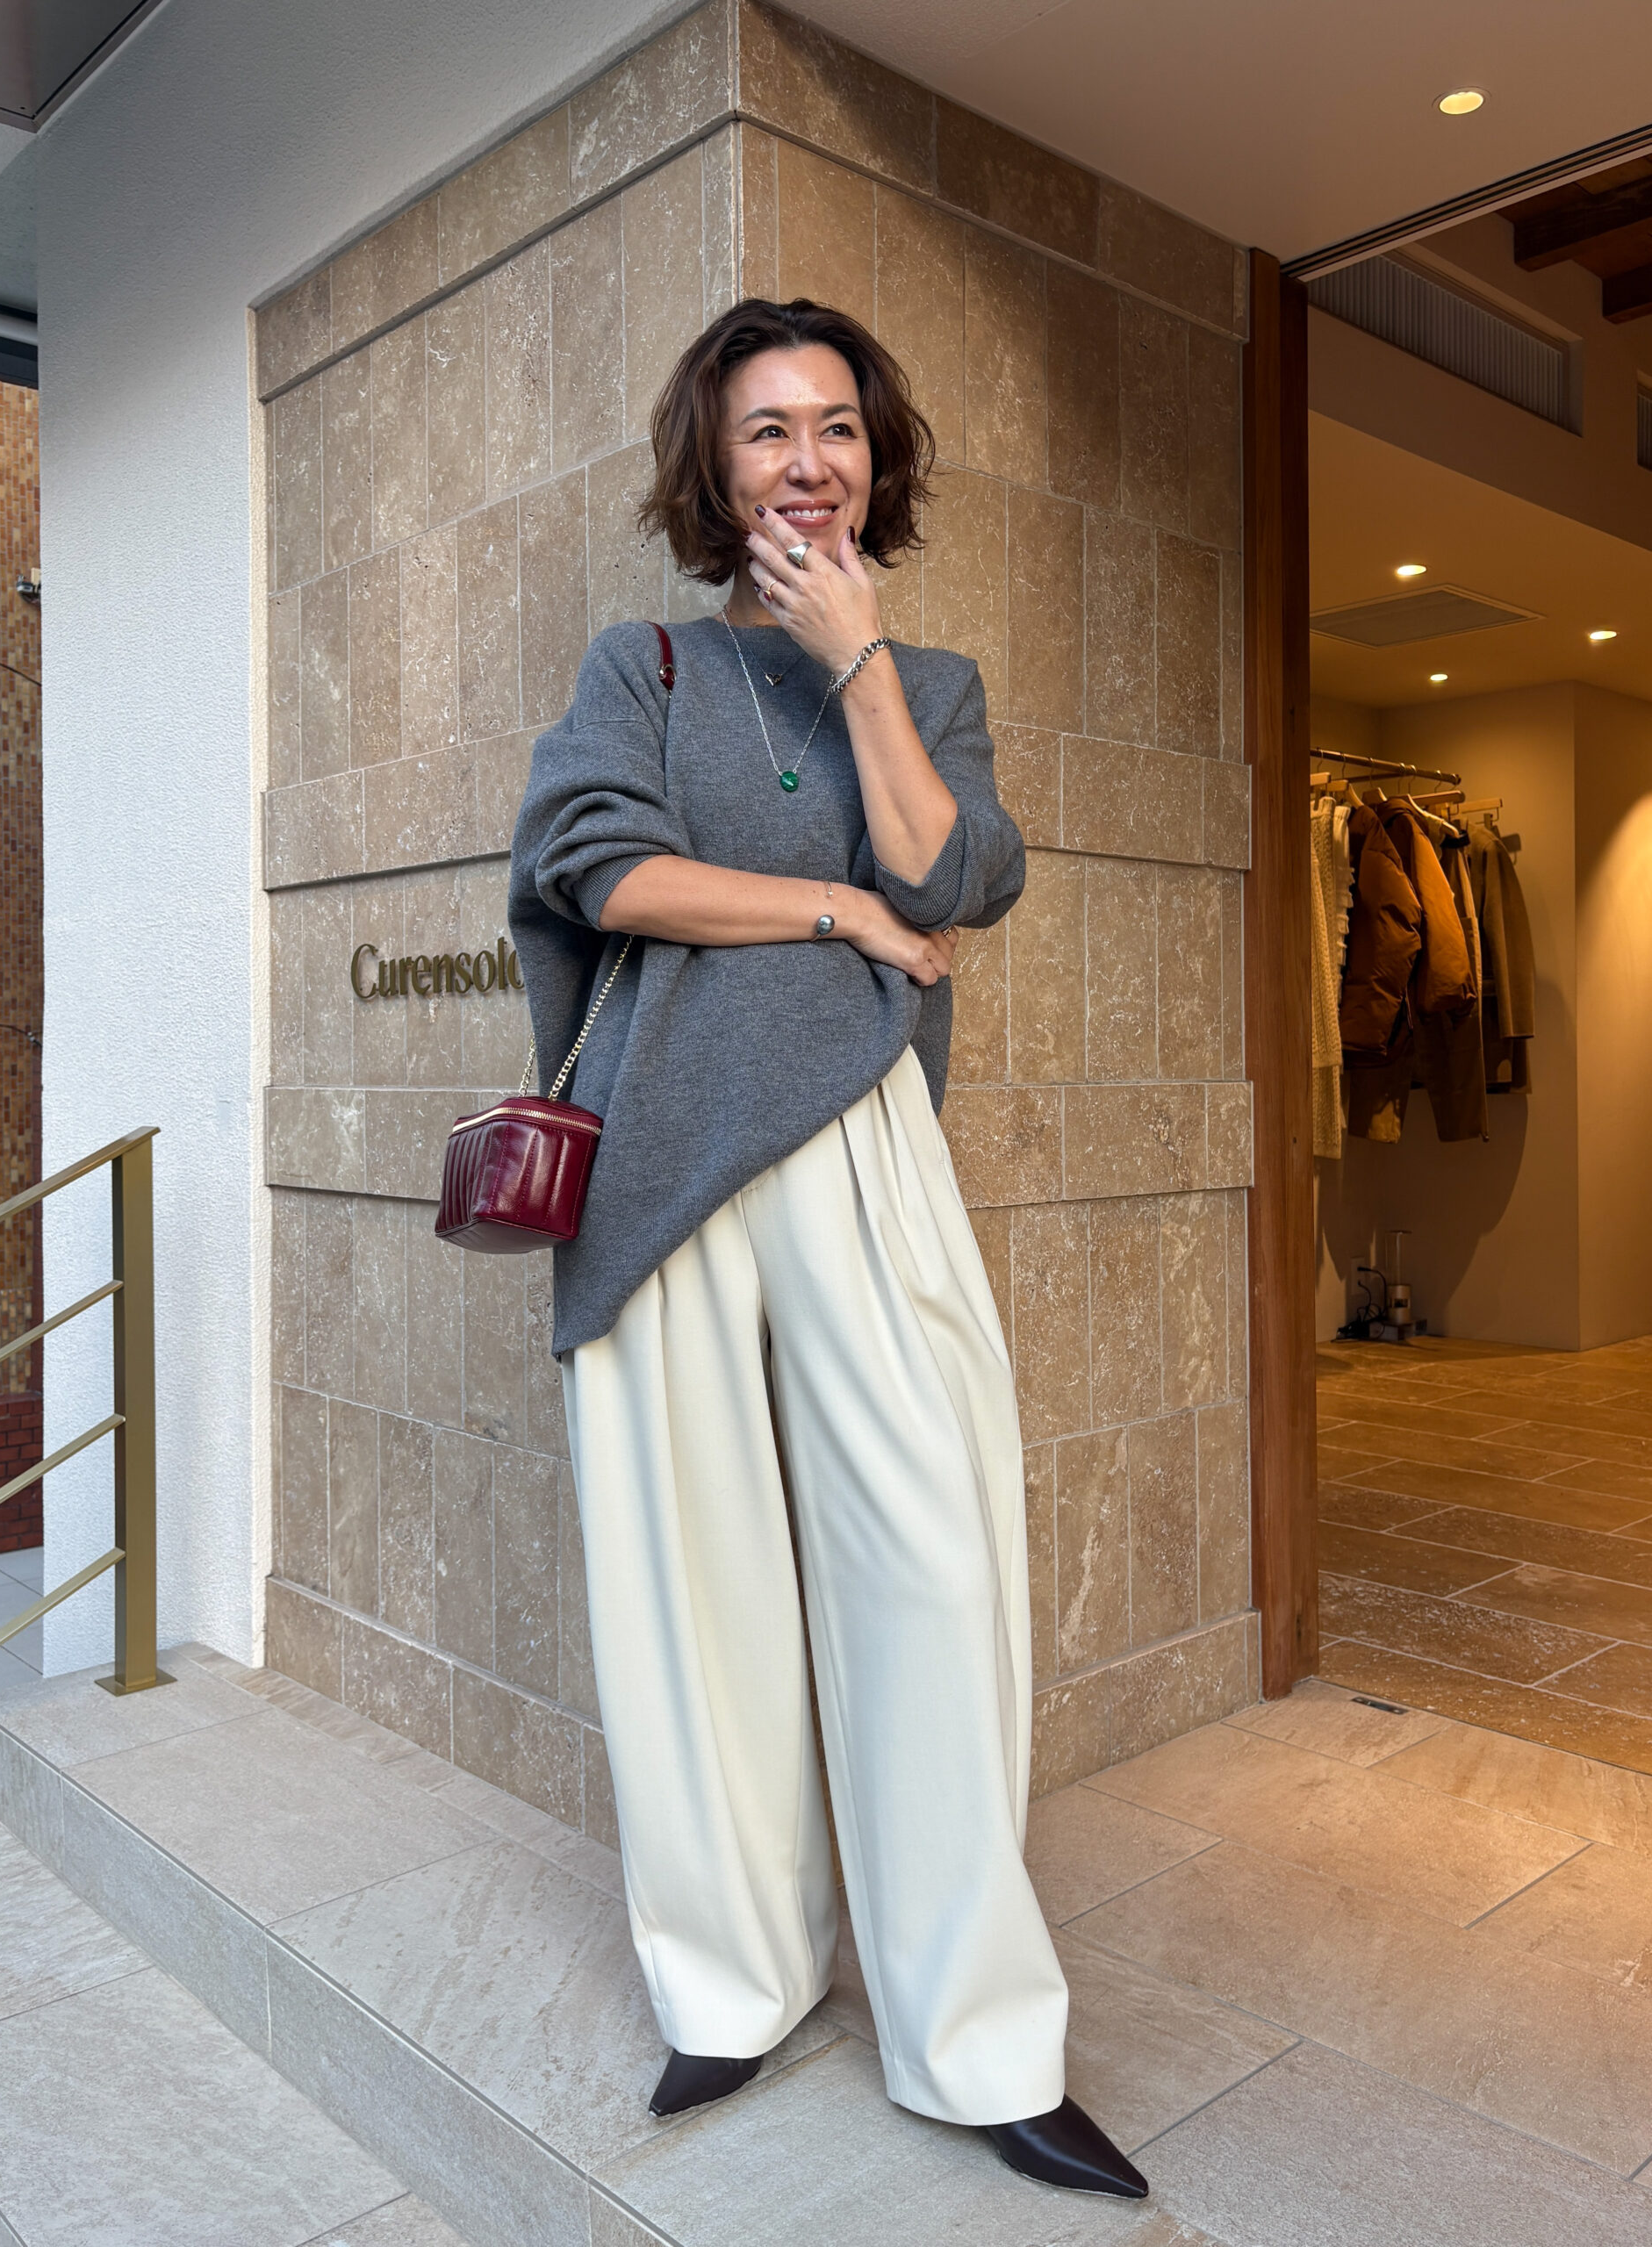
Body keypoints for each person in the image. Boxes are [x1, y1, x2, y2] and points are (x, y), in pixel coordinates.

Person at [508, 297, 1146, 2199]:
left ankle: (980, 2037)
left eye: (839, 427)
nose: (809, 461)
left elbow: (953, 873)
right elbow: (596, 865)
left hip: (865, 1149)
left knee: (934, 1571)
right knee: (693, 1588)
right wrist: (837, 918)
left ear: (879, 459)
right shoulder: (645, 666)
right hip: (664, 1165)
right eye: (769, 429)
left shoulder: (926, 677)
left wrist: (859, 662)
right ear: (713, 468)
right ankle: (736, 1985)